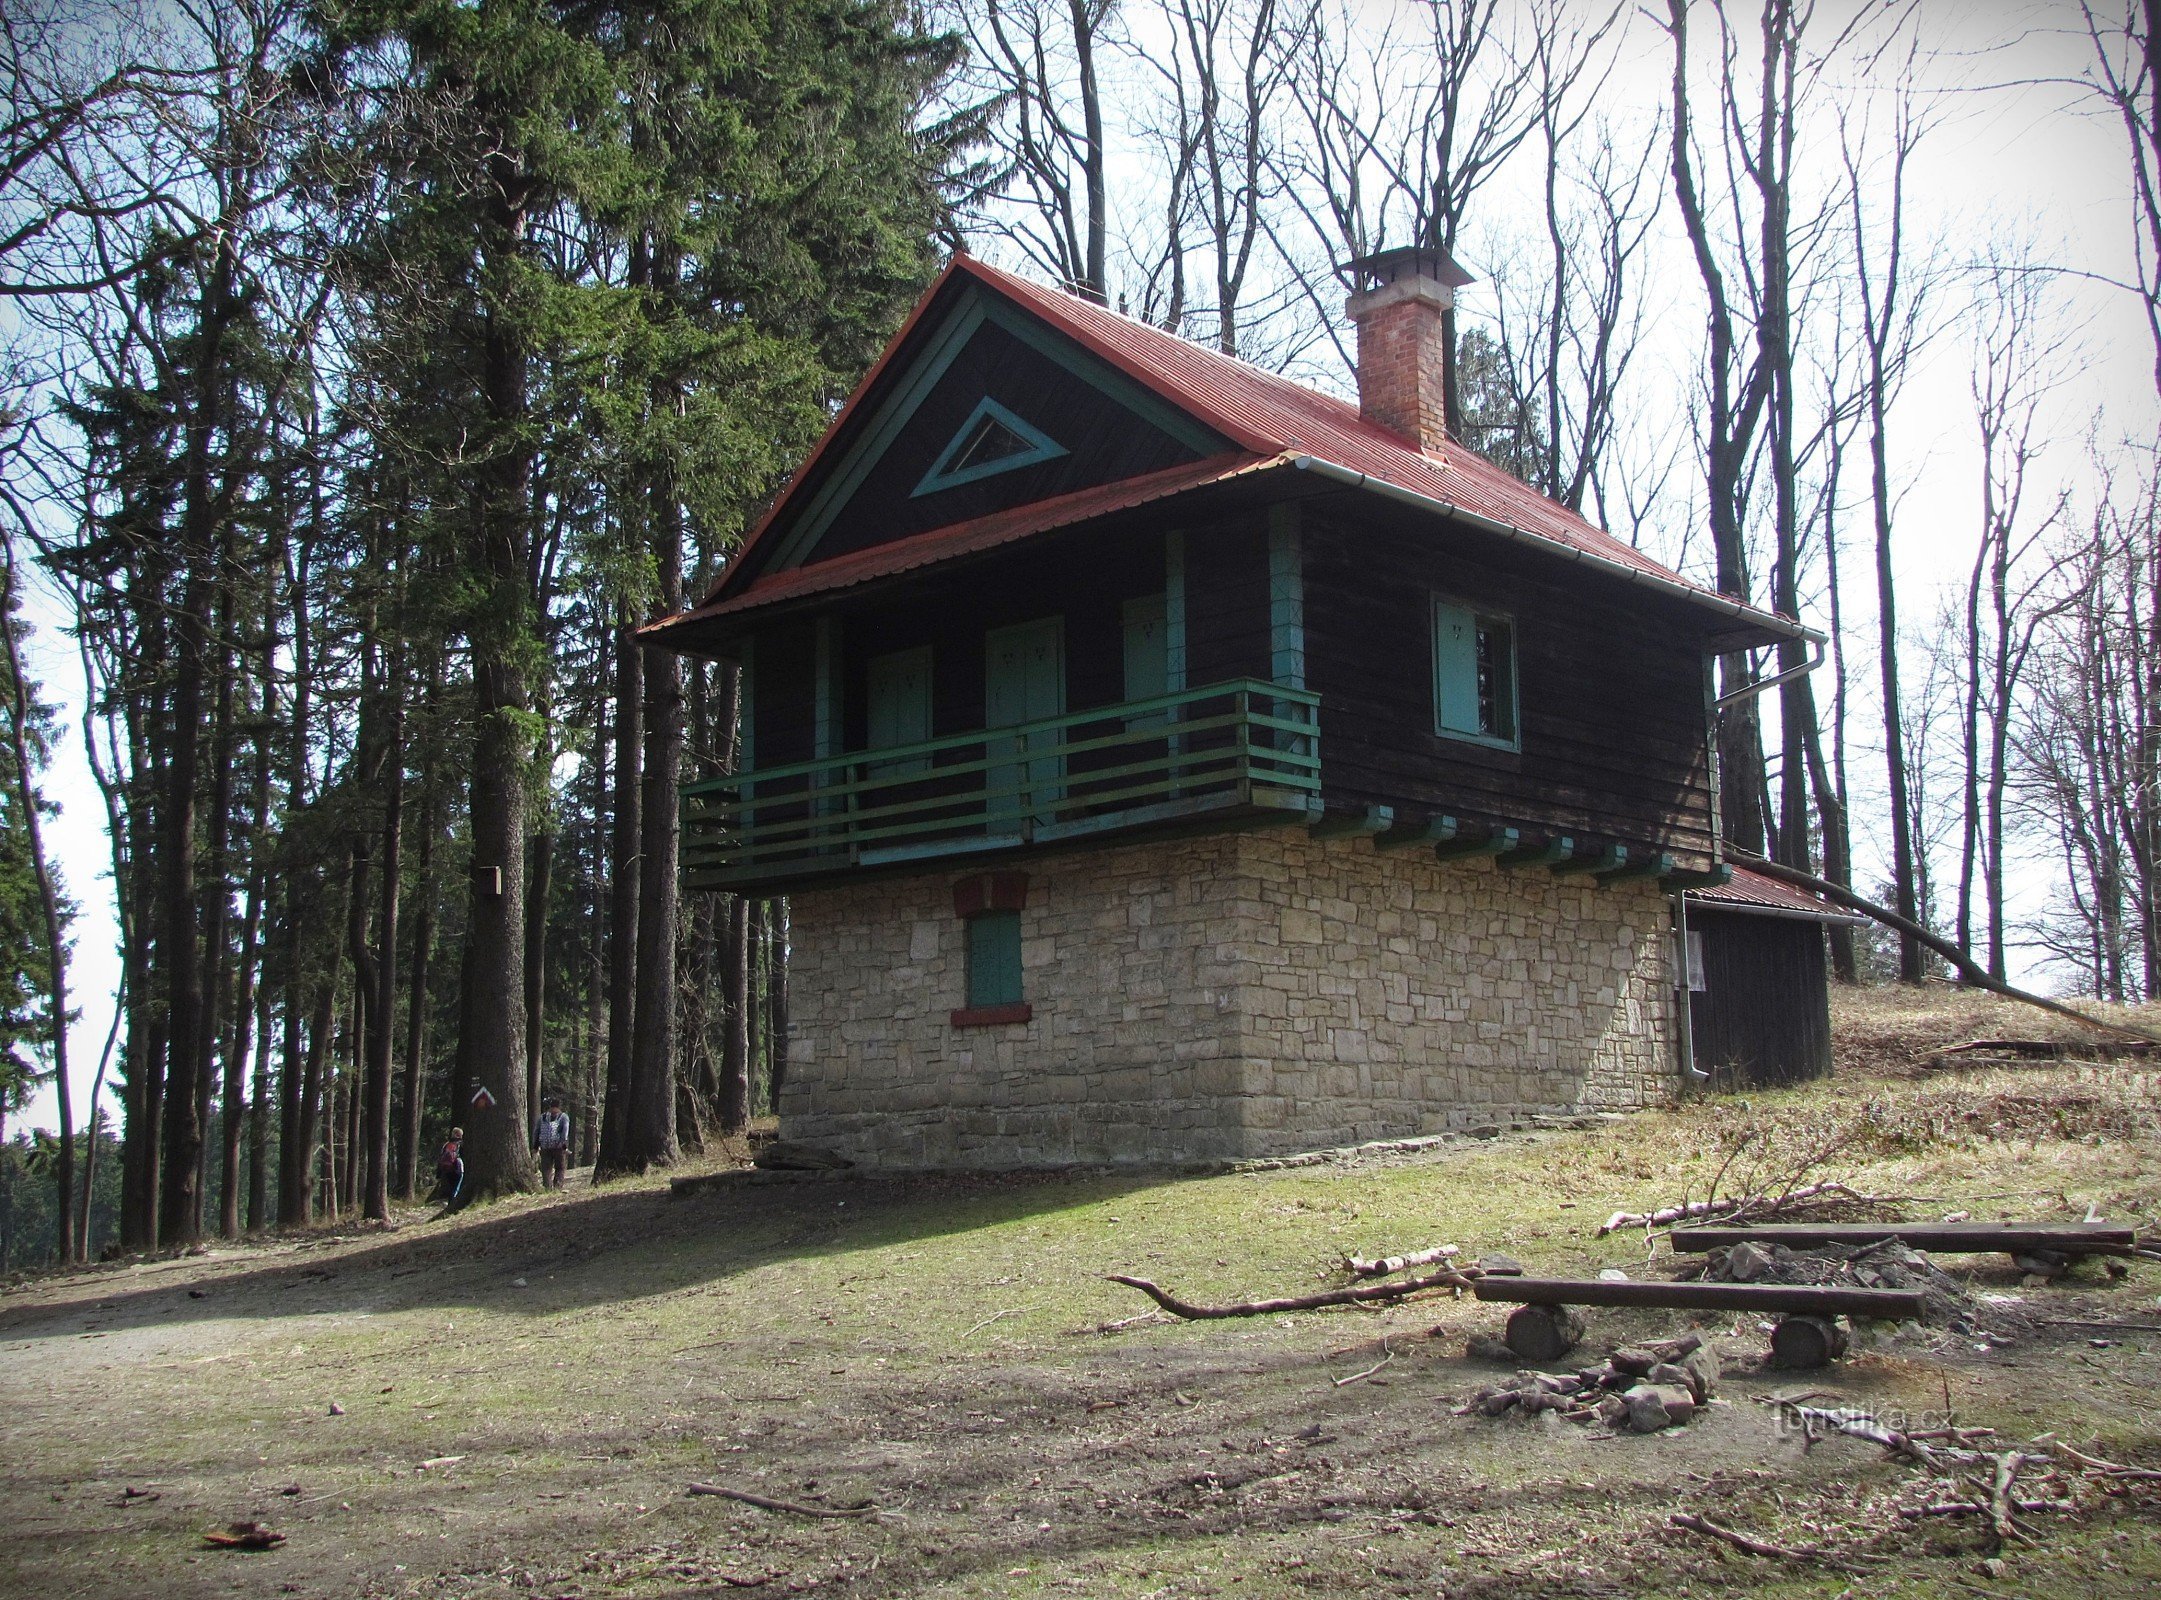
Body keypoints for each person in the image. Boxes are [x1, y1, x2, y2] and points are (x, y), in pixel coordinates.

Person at [533, 1097, 571, 1188]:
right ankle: (558, 1186)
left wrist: (535, 1146)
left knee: (546, 1169)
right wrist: (564, 1146)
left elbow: (536, 1131)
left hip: (545, 1146)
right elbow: (565, 1132)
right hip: (558, 1147)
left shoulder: (542, 1117)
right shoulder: (563, 1116)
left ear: (550, 1106)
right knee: (560, 1168)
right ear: (559, 1106)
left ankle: (547, 1187)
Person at [431, 1128, 465, 1204]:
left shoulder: (446, 1144)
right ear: (459, 1135)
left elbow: (441, 1157)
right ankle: (452, 1204)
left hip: (447, 1170)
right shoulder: (460, 1144)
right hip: (458, 1169)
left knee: (451, 1188)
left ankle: (450, 1203)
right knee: (456, 1188)